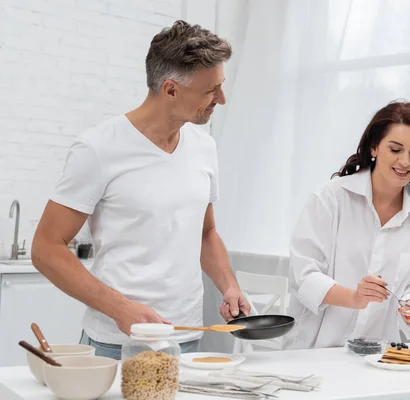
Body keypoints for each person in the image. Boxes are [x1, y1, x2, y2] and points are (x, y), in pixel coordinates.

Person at [31, 20, 250, 359]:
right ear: (171, 89)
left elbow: (205, 233)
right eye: (211, 90)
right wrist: (119, 309)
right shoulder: (98, 148)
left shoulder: (204, 147)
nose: (221, 99)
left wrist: (229, 285)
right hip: (115, 344)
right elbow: (46, 249)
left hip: (187, 338)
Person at [284, 101, 410, 349]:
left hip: (378, 357)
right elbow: (304, 274)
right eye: (395, 149)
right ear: (374, 147)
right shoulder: (332, 198)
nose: (405, 161)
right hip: (313, 352)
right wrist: (354, 297)